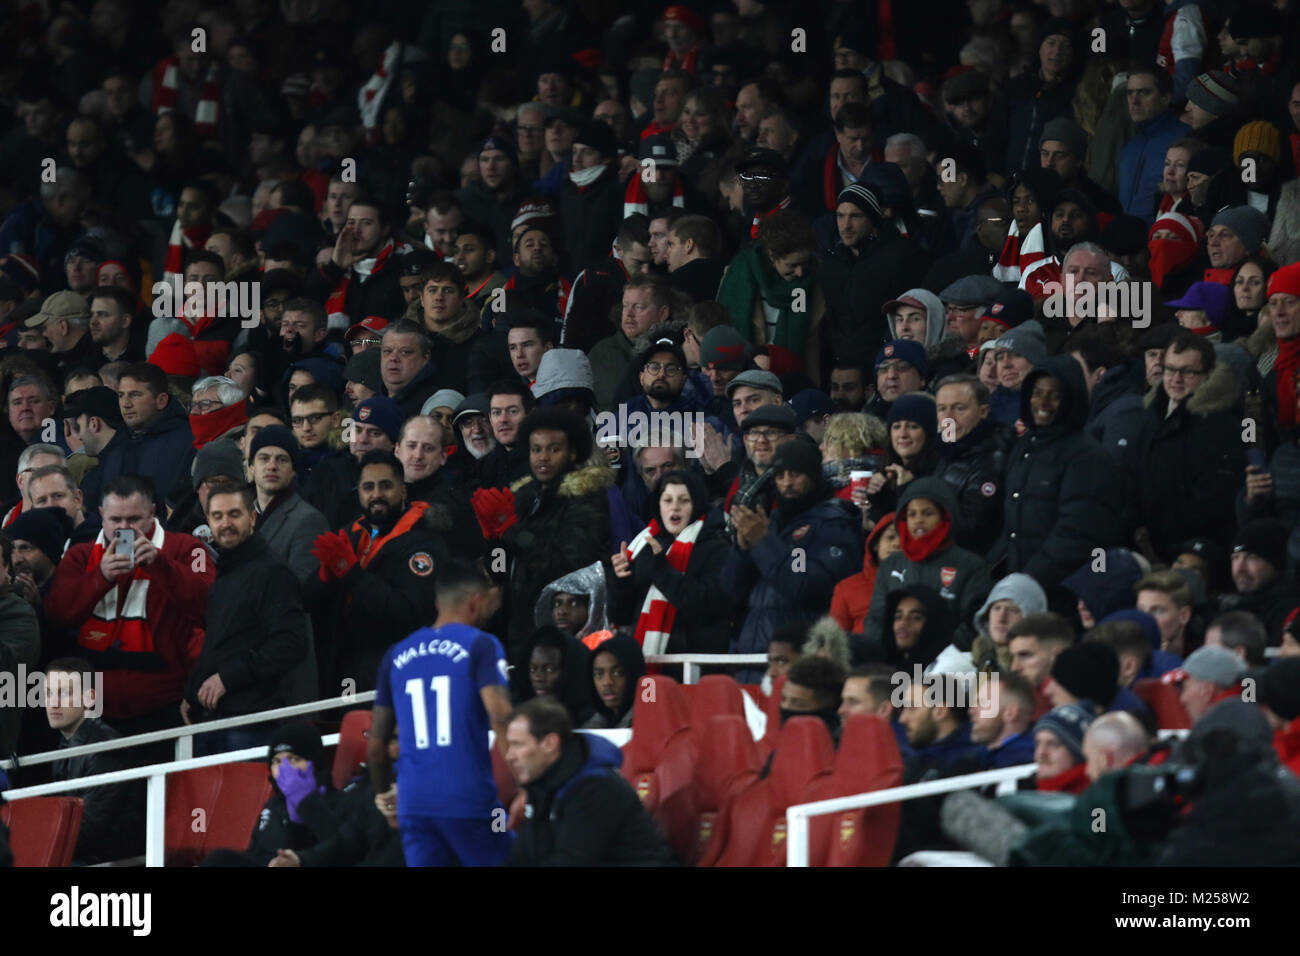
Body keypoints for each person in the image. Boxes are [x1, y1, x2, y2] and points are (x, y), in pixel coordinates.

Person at [368, 560, 514, 867]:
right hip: (467, 800)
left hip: (414, 804)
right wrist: (530, 784)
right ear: (476, 602)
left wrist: (385, 796)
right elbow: (500, 718)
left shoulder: (395, 655)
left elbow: (377, 747)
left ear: (437, 603)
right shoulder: (482, 645)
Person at [45, 474, 213, 735]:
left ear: (153, 512)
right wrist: (99, 578)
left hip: (165, 705)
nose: (124, 528)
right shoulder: (81, 555)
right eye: (115, 520)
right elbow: (58, 614)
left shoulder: (188, 548)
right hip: (94, 710)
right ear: (101, 514)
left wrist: (162, 566)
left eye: (134, 519)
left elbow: (208, 605)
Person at [472, 408, 612, 662]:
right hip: (518, 625)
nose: (543, 457)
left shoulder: (587, 498)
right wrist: (493, 541)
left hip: (563, 631)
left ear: (572, 453)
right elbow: (501, 570)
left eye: (553, 449)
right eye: (536, 449)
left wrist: (510, 530)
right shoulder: (523, 496)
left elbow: (568, 565)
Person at [183, 483, 314, 754]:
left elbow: (291, 643)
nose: (226, 523)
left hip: (254, 722)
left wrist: (227, 678)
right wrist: (192, 692)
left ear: (252, 518)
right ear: (208, 522)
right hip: (215, 718)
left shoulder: (273, 572)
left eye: (234, 514)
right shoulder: (226, 572)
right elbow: (222, 643)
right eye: (217, 516)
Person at [723, 438, 863, 683]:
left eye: (795, 474)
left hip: (801, 664)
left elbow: (804, 586)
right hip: (752, 659)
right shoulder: (770, 522)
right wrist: (743, 551)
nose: (786, 483)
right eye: (779, 475)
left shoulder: (834, 522)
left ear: (814, 475)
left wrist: (762, 542)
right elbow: (728, 593)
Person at [504, 696, 678, 866]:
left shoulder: (597, 788)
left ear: (550, 743)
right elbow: (522, 856)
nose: (509, 756)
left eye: (518, 745)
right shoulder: (542, 784)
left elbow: (571, 862)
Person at [608, 469, 732, 654]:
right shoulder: (646, 543)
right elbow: (620, 616)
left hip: (692, 662)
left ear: (696, 504)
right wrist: (621, 580)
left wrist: (662, 570)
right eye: (668, 500)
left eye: (684, 500)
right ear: (658, 505)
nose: (675, 507)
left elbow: (706, 605)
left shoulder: (718, 546)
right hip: (646, 659)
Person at [45, 658, 145, 863]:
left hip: (104, 859)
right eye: (48, 693)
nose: (53, 703)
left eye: (65, 693)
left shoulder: (105, 749)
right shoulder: (66, 742)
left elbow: (90, 830)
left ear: (90, 698)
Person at [247, 425, 329, 587]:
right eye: (264, 458)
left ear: (293, 471)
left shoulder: (309, 521)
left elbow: (301, 588)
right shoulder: (241, 516)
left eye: (282, 459)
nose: (272, 466)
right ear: (251, 468)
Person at [581, 632, 646, 730]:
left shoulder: (650, 724)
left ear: (634, 675)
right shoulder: (592, 725)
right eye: (599, 674)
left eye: (618, 673)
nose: (607, 682)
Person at [1032, 703, 1095, 794]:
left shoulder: (1092, 799)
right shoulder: (1030, 790)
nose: (1041, 753)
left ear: (1077, 753)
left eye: (1053, 744)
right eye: (1038, 743)